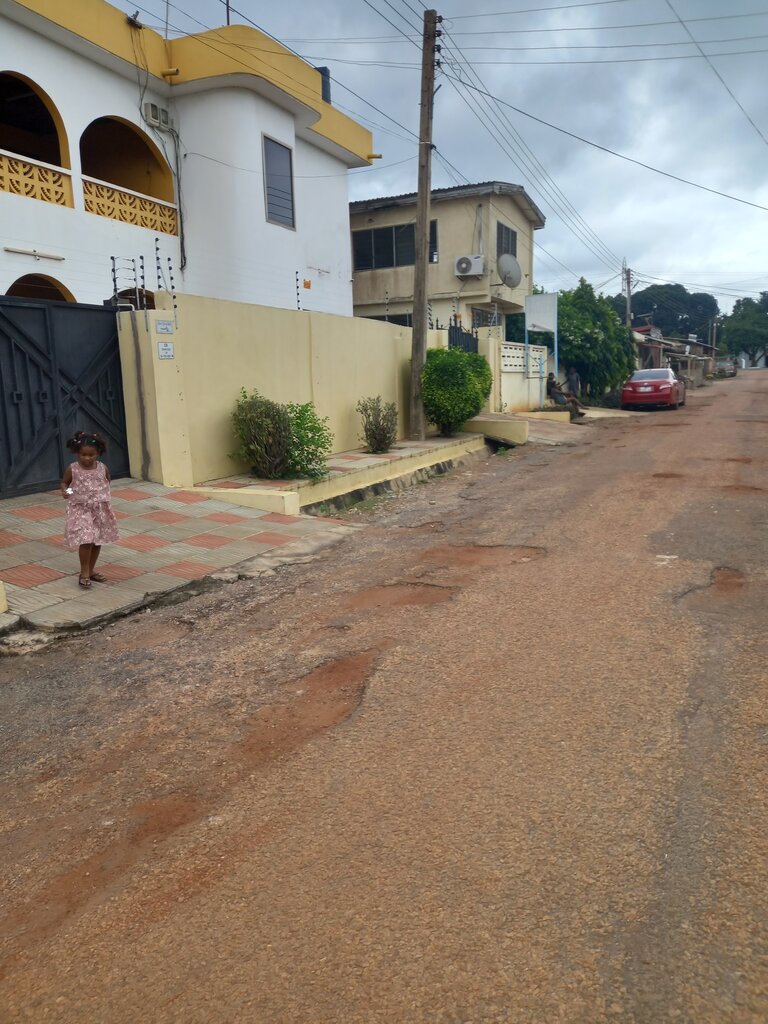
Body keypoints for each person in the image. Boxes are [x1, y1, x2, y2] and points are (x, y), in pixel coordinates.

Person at [61, 431, 119, 588]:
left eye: (91, 455)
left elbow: (107, 482)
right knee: (86, 540)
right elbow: (66, 484)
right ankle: (84, 572)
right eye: (83, 455)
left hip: (99, 510)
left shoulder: (102, 468)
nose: (87, 458)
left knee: (97, 541)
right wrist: (69, 492)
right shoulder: (73, 469)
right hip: (81, 510)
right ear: (77, 453)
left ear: (98, 453)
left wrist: (100, 497)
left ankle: (92, 571)